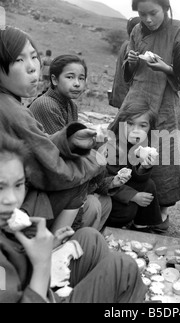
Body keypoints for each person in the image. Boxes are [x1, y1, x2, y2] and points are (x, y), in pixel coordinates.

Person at [0, 133, 147, 303]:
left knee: (89, 239)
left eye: (18, 185)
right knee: (122, 267)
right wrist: (41, 263)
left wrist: (47, 247)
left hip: (33, 284)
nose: (11, 199)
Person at [0, 26, 103, 232]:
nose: (32, 68)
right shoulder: (14, 111)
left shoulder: (12, 103)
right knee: (77, 184)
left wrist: (70, 140)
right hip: (14, 206)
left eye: (33, 57)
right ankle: (53, 248)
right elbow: (55, 171)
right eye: (19, 60)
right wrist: (96, 160)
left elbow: (38, 143)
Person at [118, 0, 180, 222]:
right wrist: (130, 62)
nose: (148, 20)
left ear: (166, 8)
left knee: (164, 155)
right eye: (142, 14)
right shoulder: (137, 31)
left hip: (166, 105)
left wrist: (166, 68)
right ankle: (129, 206)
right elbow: (129, 74)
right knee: (130, 150)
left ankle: (161, 214)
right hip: (138, 100)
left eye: (153, 13)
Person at [29, 54, 117, 232]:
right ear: (54, 79)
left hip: (66, 179)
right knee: (93, 205)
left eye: (81, 78)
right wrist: (96, 155)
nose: (77, 83)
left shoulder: (70, 105)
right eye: (70, 77)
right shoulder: (46, 105)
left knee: (106, 202)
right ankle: (64, 243)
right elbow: (59, 158)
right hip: (46, 186)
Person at [105, 101, 166, 233]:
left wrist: (143, 168)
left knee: (149, 185)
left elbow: (137, 178)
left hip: (124, 186)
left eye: (143, 125)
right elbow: (107, 180)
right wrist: (133, 196)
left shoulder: (142, 145)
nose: (135, 130)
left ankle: (142, 225)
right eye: (130, 124)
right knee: (128, 210)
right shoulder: (113, 146)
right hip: (108, 192)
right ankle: (109, 227)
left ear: (150, 128)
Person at [109, 17, 141, 109]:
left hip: (122, 92)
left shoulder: (125, 44)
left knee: (123, 120)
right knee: (126, 121)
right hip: (127, 94)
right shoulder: (131, 47)